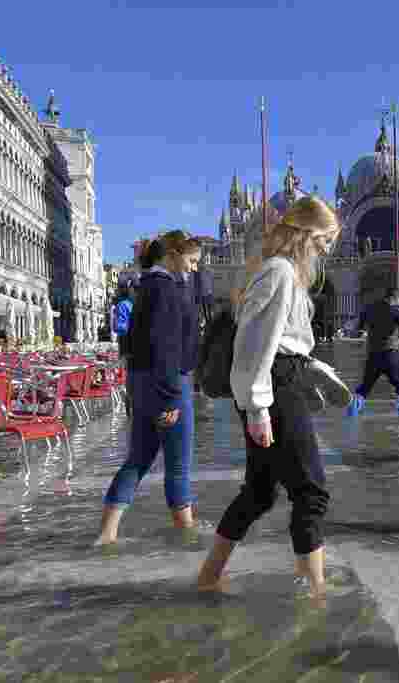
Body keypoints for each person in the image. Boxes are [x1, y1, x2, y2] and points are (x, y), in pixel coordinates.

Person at [198, 196, 342, 599]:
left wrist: (312, 372)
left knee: (260, 492)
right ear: (307, 233)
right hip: (273, 387)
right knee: (311, 492)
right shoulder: (278, 272)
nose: (328, 248)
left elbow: (285, 342)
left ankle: (210, 574)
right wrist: (259, 406)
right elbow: (253, 344)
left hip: (279, 381)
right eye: (326, 238)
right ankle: (315, 591)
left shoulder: (285, 274)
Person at [95, 230, 202, 545]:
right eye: (192, 261)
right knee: (179, 463)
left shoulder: (145, 286)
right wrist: (169, 399)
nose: (194, 269)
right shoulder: (166, 289)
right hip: (168, 383)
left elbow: (135, 343)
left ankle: (107, 532)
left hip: (142, 381)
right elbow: (165, 346)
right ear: (172, 255)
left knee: (139, 457)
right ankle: (187, 535)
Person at [347, 288, 399, 417]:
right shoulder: (397, 311)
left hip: (373, 354)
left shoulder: (370, 309)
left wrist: (361, 332)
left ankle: (353, 411)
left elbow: (360, 324)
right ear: (396, 298)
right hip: (391, 354)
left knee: (365, 387)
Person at [112, 285, 135, 416]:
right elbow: (119, 326)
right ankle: (130, 406)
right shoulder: (126, 305)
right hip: (130, 348)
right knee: (131, 377)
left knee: (131, 378)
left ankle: (131, 406)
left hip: (130, 347)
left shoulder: (125, 305)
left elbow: (118, 326)